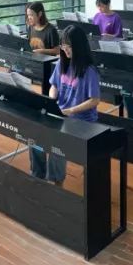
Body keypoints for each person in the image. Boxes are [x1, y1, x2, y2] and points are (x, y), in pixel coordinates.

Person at [30, 26, 100, 186]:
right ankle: (37, 176)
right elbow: (54, 86)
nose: (65, 50)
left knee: (57, 143)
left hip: (81, 120)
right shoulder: (62, 62)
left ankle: (55, 182)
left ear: (79, 46)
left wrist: (71, 110)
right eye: (63, 46)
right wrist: (52, 101)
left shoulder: (89, 70)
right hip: (61, 113)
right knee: (34, 136)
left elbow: (94, 100)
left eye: (69, 46)